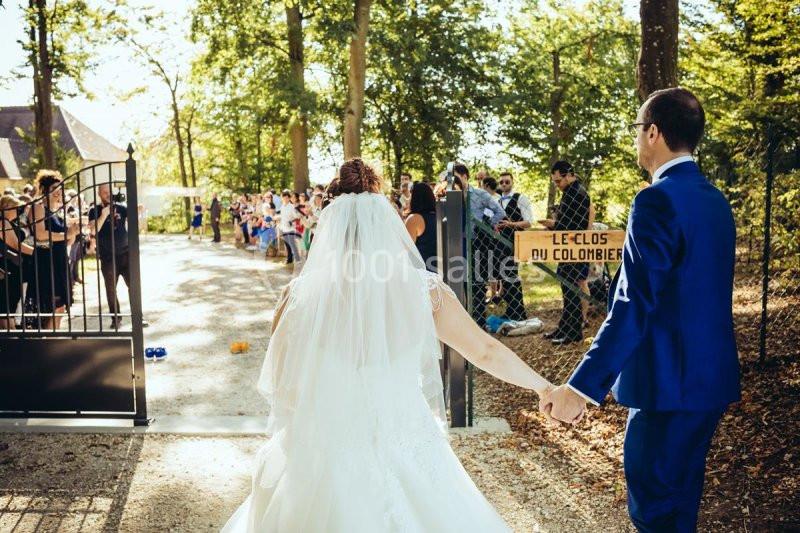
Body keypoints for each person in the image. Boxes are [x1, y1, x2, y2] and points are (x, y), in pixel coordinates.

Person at [221, 158, 551, 532]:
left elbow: (284, 385)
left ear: (331, 229)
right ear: (386, 226)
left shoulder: (296, 298)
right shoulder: (426, 293)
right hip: (408, 442)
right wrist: (544, 387)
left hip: (322, 451)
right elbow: (485, 350)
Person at [543, 87, 740, 533]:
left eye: (638, 129)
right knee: (680, 506)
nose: (636, 139)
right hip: (710, 381)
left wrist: (582, 388)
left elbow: (633, 304)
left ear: (653, 132)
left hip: (666, 385)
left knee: (652, 511)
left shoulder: (655, 200)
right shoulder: (715, 201)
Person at [540, 161, 590, 345]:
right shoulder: (571, 192)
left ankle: (573, 331)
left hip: (574, 248)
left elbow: (572, 226)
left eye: (559, 181)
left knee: (571, 290)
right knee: (567, 288)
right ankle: (565, 327)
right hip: (569, 248)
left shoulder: (576, 193)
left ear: (569, 174)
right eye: (555, 182)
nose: (557, 185)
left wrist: (553, 225)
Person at [452, 163, 505, 329]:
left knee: (476, 282)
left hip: (476, 243)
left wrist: (487, 227)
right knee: (457, 281)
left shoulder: (480, 194)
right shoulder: (450, 195)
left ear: (465, 177)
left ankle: (479, 322)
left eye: (456, 177)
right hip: (455, 244)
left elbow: (500, 212)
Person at [31, 170, 76, 330]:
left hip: (60, 262)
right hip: (46, 263)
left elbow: (68, 239)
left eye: (61, 188)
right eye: (55, 188)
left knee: (60, 307)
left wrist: (74, 232)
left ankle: (55, 341)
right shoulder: (38, 207)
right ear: (45, 190)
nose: (59, 192)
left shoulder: (57, 212)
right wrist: (66, 234)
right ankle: (47, 343)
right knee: (51, 308)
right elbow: (40, 234)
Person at [88, 183, 130, 329]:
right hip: (107, 256)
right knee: (111, 289)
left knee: (133, 286)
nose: (107, 194)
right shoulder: (94, 210)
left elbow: (134, 218)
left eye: (109, 191)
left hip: (125, 254)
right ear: (99, 194)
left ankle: (138, 316)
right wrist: (104, 214)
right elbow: (93, 231)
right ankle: (116, 318)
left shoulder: (121, 207)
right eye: (104, 192)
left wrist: (139, 210)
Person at [494, 172, 531, 322]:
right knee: (503, 277)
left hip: (514, 241)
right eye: (501, 182)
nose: (504, 184)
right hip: (499, 243)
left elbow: (528, 222)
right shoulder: (498, 201)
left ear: (512, 182)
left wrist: (511, 224)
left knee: (511, 276)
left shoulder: (521, 198)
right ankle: (511, 310)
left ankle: (518, 312)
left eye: (507, 182)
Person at [0, 195, 34, 330]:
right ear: (8, 207)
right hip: (7, 267)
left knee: (10, 306)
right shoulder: (3, 222)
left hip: (13, 266)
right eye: (16, 207)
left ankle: (10, 338)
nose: (19, 210)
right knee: (6, 306)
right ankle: (11, 340)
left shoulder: (9, 222)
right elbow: (15, 244)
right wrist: (37, 252)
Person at [404, 181, 438, 272]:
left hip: (422, 272)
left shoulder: (414, 219)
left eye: (411, 195)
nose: (408, 199)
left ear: (416, 198)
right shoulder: (439, 217)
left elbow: (406, 250)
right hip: (441, 270)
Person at [277, 190, 300, 265]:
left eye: (287, 198)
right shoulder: (282, 206)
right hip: (283, 227)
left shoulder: (292, 206)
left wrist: (291, 221)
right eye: (283, 198)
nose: (285, 199)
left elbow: (297, 216)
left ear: (289, 198)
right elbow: (282, 217)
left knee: (292, 244)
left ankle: (298, 259)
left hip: (290, 228)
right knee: (287, 244)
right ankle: (289, 259)